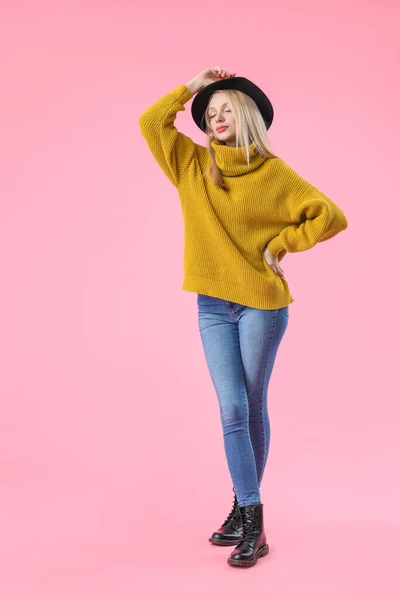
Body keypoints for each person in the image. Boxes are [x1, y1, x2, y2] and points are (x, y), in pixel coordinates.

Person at [138, 67, 348, 568]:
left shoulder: (273, 173)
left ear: (247, 115)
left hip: (262, 304)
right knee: (231, 408)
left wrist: (284, 243)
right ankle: (248, 509)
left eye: (226, 108)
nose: (216, 117)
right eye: (210, 113)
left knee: (250, 405)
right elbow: (151, 123)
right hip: (212, 304)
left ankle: (245, 516)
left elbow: (330, 215)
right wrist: (191, 85)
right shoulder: (191, 164)